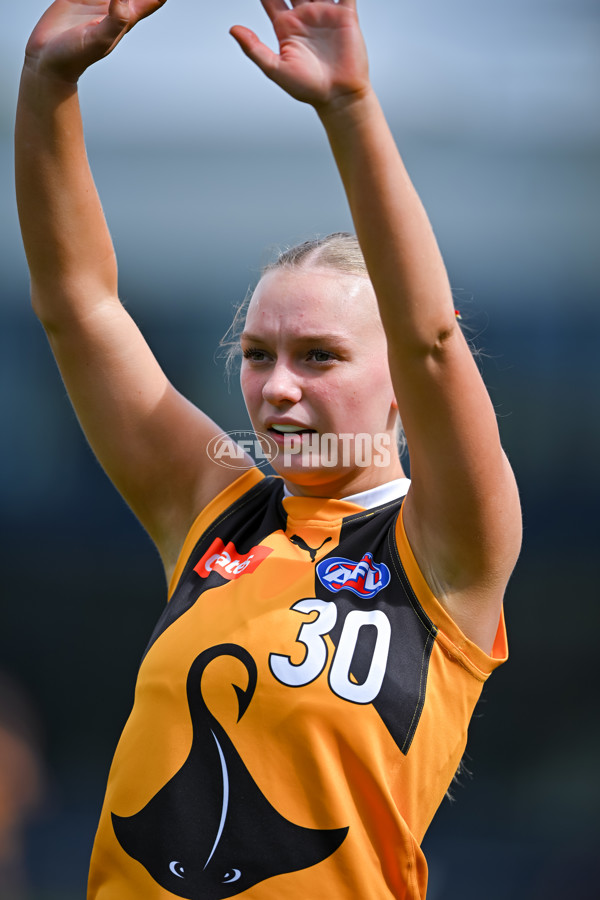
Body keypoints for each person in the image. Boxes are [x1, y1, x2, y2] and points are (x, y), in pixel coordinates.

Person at [15, 0, 522, 897]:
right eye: (258, 355)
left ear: (400, 384)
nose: (278, 386)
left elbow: (433, 339)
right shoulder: (214, 506)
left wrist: (350, 108)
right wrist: (47, 81)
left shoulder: (446, 547)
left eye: (319, 356)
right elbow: (81, 308)